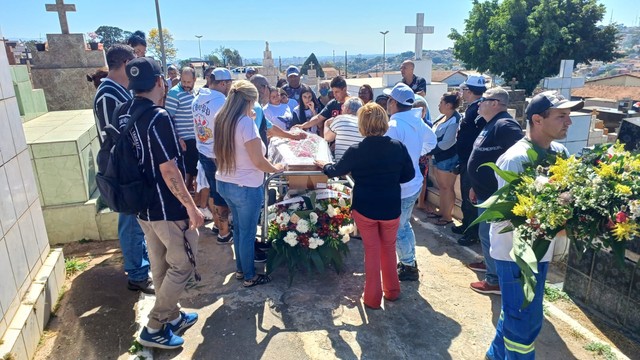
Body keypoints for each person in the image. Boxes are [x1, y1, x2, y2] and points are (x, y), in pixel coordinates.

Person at [487, 91, 582, 360]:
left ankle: (496, 354)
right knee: (525, 321)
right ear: (537, 119)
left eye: (569, 116)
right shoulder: (515, 159)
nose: (569, 122)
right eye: (561, 116)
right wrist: (559, 225)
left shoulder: (560, 152)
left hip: (541, 250)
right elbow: (510, 217)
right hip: (515, 254)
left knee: (518, 310)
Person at [120, 57, 204, 349]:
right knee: (182, 263)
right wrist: (192, 207)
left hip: (141, 206)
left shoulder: (124, 111)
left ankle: (172, 315)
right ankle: (155, 326)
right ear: (159, 81)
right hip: (166, 207)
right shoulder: (158, 116)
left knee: (160, 263)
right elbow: (168, 169)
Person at [315, 103, 415, 309]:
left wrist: (322, 165)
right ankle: (393, 291)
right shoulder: (397, 147)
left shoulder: (356, 150)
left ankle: (371, 298)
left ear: (362, 124)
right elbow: (408, 175)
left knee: (372, 251)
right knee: (388, 249)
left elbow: (334, 170)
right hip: (391, 206)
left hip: (366, 207)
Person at [93, 44, 154, 294]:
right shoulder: (108, 94)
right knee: (129, 221)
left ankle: (141, 263)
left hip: (129, 166)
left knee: (134, 221)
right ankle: (137, 274)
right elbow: (115, 137)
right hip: (123, 169)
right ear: (126, 63)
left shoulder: (118, 90)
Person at [214, 80, 286, 287]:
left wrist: (251, 120)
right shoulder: (245, 124)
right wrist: (277, 169)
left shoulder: (222, 119)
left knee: (239, 230)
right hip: (245, 186)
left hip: (225, 182)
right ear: (249, 101)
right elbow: (258, 160)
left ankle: (241, 269)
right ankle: (249, 275)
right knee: (246, 234)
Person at [467, 87, 523, 295]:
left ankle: (494, 280)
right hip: (483, 192)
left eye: (483, 100)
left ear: (495, 103)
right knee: (487, 235)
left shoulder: (505, 125)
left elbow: (519, 155)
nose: (479, 103)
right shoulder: (491, 124)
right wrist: (475, 184)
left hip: (495, 194)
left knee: (490, 234)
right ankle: (491, 264)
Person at [384, 83, 437, 281]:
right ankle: (409, 260)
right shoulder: (418, 122)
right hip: (413, 182)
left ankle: (408, 265)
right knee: (404, 225)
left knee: (400, 227)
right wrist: (415, 155)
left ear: (393, 103)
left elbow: (386, 158)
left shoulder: (393, 126)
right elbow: (432, 142)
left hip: (401, 186)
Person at [192, 67, 233, 244]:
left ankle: (217, 225)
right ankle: (224, 233)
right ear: (223, 83)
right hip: (217, 154)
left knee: (212, 190)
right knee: (221, 195)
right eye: (229, 84)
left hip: (202, 149)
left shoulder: (198, 99)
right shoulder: (222, 101)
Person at [454, 75, 488, 246]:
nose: (462, 93)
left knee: (470, 197)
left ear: (470, 90)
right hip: (465, 159)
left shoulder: (479, 110)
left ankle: (472, 233)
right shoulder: (473, 108)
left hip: (471, 160)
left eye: (464, 90)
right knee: (466, 194)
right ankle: (466, 225)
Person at [426, 92, 462, 226]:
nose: (439, 105)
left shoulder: (455, 120)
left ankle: (447, 216)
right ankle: (442, 211)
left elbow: (447, 142)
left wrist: (430, 151)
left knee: (447, 187)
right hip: (439, 157)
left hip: (447, 158)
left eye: (441, 102)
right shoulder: (445, 117)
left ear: (449, 105)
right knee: (442, 186)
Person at [165, 67, 198, 191]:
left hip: (194, 138)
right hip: (184, 140)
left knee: (194, 171)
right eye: (183, 82)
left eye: (189, 82)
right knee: (187, 173)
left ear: (194, 80)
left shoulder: (193, 92)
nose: (186, 85)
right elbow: (168, 118)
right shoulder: (174, 93)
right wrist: (178, 138)